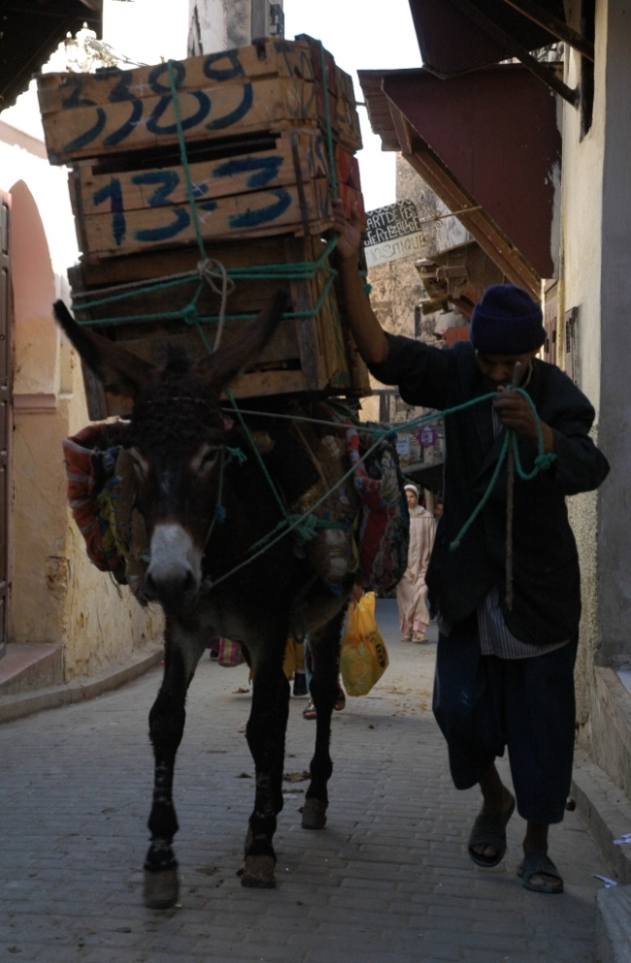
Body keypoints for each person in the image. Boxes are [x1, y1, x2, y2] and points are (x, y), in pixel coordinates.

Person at [333, 202, 610, 895]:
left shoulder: (555, 396)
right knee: (454, 708)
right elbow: (382, 353)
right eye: (486, 361)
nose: (492, 375)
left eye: (506, 364)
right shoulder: (457, 374)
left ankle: (537, 847)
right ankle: (492, 797)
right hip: (467, 587)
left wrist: (538, 437)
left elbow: (588, 465)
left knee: (540, 729)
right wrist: (346, 263)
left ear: (532, 355)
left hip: (538, 592)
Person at [397, 483, 435, 642]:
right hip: (404, 569)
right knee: (406, 599)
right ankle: (407, 630)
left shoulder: (427, 517)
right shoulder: (398, 518)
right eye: (406, 498)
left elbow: (433, 541)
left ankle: (419, 631)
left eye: (412, 497)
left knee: (420, 594)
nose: (409, 500)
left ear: (417, 497)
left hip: (423, 567)